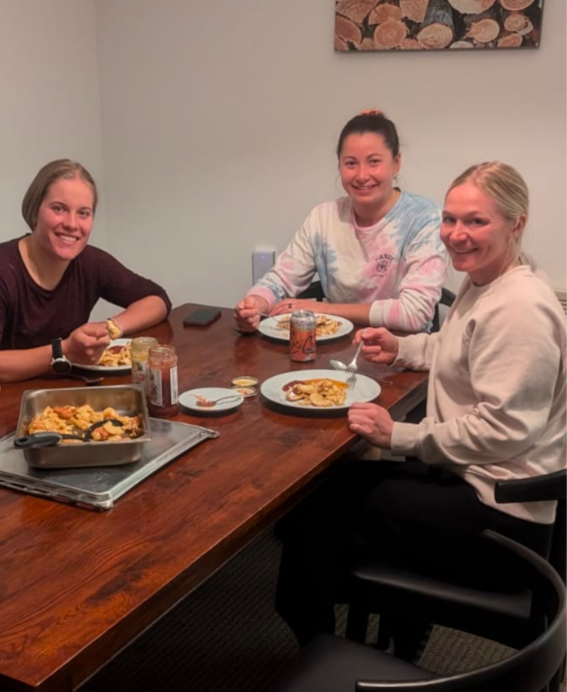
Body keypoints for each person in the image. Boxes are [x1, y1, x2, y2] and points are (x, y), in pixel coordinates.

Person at [275, 162, 567, 646]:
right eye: (450, 219)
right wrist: (404, 347)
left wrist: (400, 436)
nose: (456, 234)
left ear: (517, 222)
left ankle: (326, 653)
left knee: (309, 520)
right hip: (474, 483)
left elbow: (502, 431)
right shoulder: (490, 280)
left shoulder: (521, 308)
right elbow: (461, 351)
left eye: (476, 221)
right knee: (330, 493)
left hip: (503, 525)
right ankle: (398, 632)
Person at [0, 159, 171, 380]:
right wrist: (63, 351)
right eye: (59, 209)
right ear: (34, 211)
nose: (72, 224)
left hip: (65, 393)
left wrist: (110, 328)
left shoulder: (91, 262)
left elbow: (157, 300)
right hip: (1, 400)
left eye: (83, 213)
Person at [235, 110, 447, 334]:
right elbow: (281, 279)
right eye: (351, 163)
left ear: (396, 163)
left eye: (374, 162)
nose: (362, 175)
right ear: (339, 166)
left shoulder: (424, 218)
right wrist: (255, 304)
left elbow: (414, 314)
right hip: (334, 349)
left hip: (402, 353)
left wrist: (324, 309)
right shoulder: (324, 217)